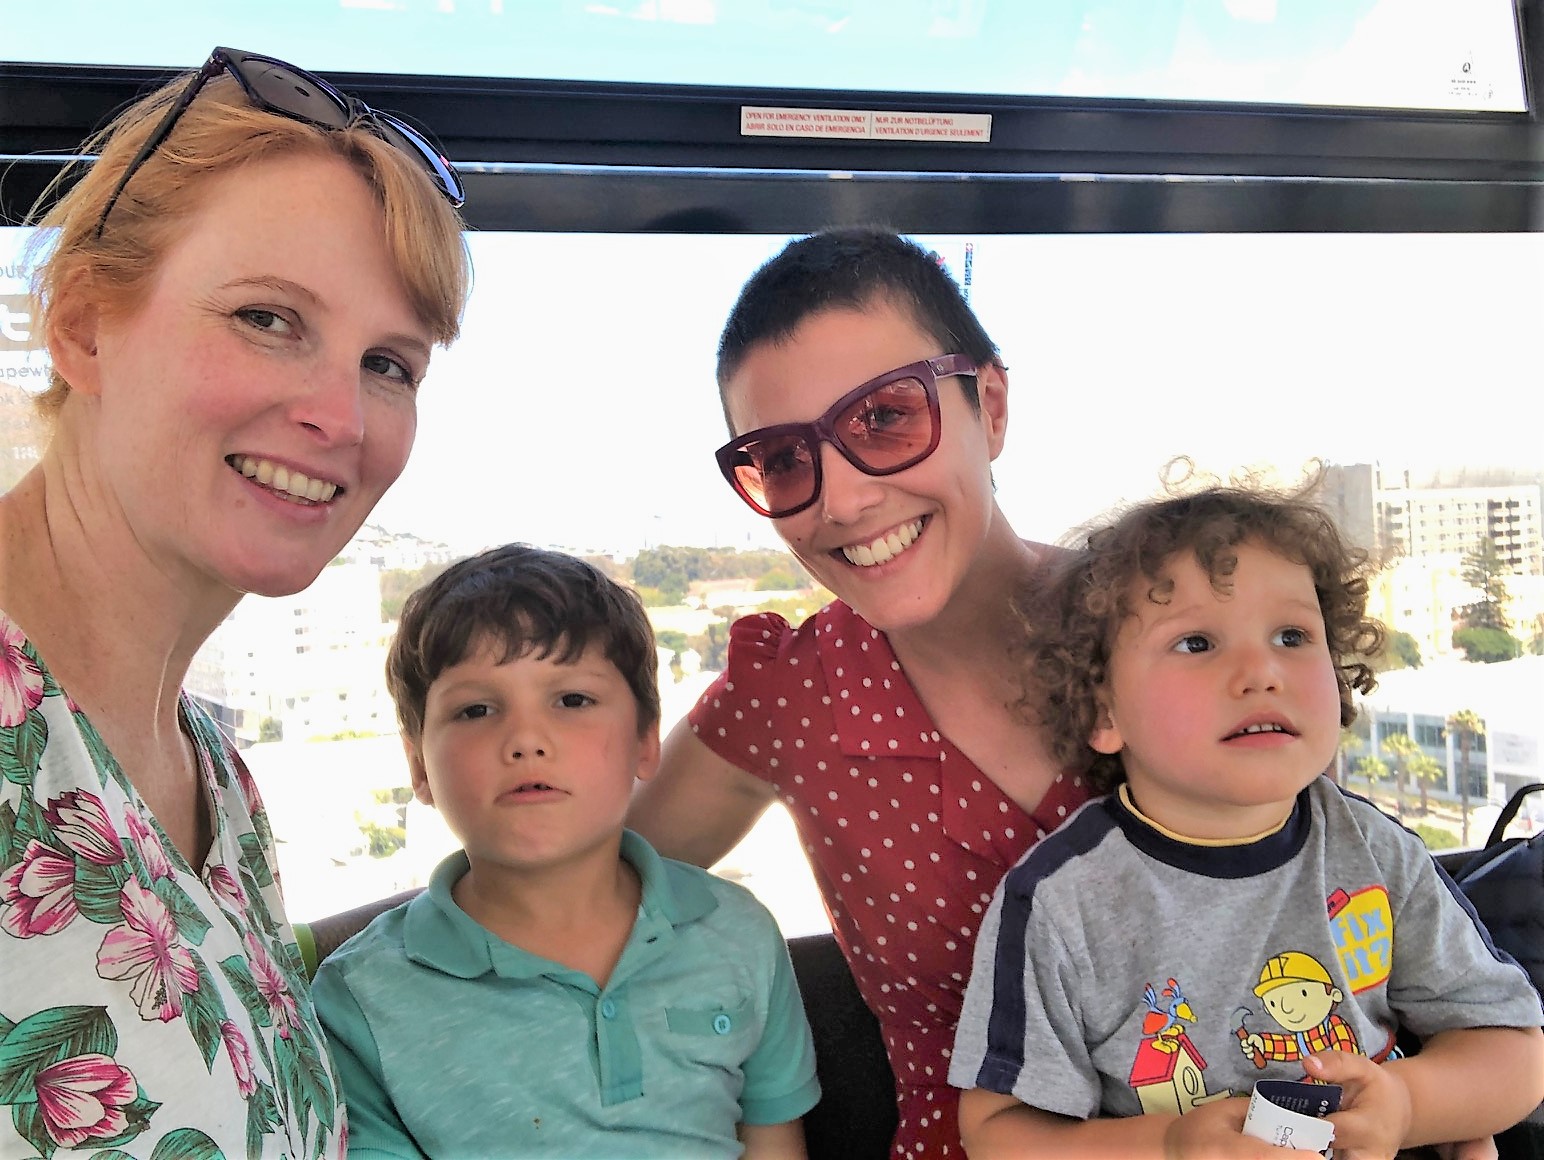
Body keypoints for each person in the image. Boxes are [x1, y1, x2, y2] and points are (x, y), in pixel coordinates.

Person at [0, 48, 469, 1158]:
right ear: (83, 325)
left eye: (389, 364)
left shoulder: (216, 779)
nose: (342, 417)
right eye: (268, 317)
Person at [627, 227, 1092, 1159]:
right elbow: (584, 887)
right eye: (784, 460)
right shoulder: (793, 695)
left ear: (991, 408)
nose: (839, 502)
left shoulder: (1174, 624)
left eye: (885, 418)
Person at [950, 483, 1544, 1158]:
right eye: (1197, 642)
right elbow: (998, 1131)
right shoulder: (1062, 900)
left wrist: (1409, 1105)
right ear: (1102, 711)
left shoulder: (1375, 852)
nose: (1261, 671)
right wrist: (1169, 1147)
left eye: (1292, 636)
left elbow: (1515, 1053)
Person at [311, 545, 820, 1159]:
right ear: (419, 764)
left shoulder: (738, 934)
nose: (526, 740)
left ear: (645, 740)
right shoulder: (361, 997)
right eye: (476, 710)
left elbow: (773, 1143)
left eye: (572, 700)